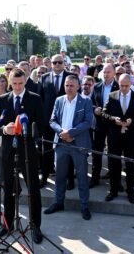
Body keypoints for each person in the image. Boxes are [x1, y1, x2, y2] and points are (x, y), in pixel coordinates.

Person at [0, 68, 45, 244]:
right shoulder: (3, 99)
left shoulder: (35, 98)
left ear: (25, 82)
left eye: (20, 83)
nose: (17, 87)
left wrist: (28, 130)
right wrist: (3, 129)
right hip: (8, 150)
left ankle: (35, 226)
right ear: (9, 82)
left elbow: (41, 124)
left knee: (33, 189)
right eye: (14, 84)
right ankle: (8, 224)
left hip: (27, 150)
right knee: (8, 188)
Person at [45, 75, 93, 220]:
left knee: (82, 177)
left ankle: (84, 206)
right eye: (67, 85)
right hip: (61, 144)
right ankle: (58, 202)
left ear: (78, 86)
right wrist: (61, 132)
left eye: (72, 85)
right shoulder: (59, 100)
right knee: (60, 176)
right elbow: (52, 120)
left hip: (78, 145)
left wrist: (71, 133)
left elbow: (87, 122)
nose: (69, 88)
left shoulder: (85, 101)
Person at [102, 74, 134, 204]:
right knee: (113, 163)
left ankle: (130, 191)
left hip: (130, 137)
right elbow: (104, 114)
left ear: (131, 84)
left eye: (126, 86)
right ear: (118, 83)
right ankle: (113, 190)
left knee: (130, 164)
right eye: (121, 85)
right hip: (114, 136)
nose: (124, 88)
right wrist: (112, 119)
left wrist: (132, 121)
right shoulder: (112, 96)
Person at [39, 54, 76, 188]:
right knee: (47, 150)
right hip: (48, 122)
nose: (57, 65)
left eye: (60, 62)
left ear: (64, 63)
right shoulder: (44, 77)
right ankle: (44, 177)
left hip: (66, 121)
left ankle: (70, 178)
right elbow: (40, 99)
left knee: (68, 151)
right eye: (54, 63)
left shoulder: (71, 77)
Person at [90, 63, 119, 188]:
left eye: (109, 72)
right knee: (97, 152)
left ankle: (115, 180)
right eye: (104, 72)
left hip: (113, 125)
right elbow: (90, 103)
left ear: (114, 73)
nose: (106, 74)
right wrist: (95, 109)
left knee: (114, 153)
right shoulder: (96, 86)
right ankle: (95, 178)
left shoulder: (119, 87)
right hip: (99, 124)